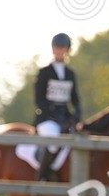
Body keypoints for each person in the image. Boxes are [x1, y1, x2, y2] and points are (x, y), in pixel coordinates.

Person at [33, 32, 82, 182]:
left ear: (67, 50)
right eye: (57, 48)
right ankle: (42, 177)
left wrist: (77, 115)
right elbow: (39, 99)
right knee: (53, 144)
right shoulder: (44, 73)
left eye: (62, 48)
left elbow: (75, 99)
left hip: (65, 118)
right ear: (53, 49)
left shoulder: (70, 74)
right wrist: (53, 113)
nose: (59, 51)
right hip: (47, 118)